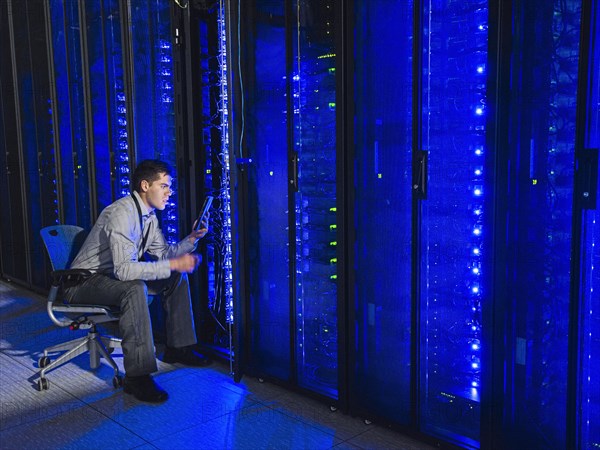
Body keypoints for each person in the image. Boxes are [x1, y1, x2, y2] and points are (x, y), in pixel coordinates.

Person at [65, 159, 210, 403]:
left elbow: (163, 255)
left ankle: (179, 347)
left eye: (169, 187)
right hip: (81, 283)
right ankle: (137, 376)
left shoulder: (149, 217)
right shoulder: (121, 214)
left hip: (108, 279)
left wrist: (191, 240)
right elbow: (124, 271)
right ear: (145, 185)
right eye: (164, 186)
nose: (169, 192)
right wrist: (172, 264)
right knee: (134, 288)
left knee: (174, 276)